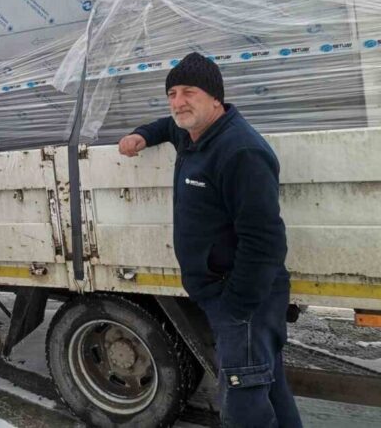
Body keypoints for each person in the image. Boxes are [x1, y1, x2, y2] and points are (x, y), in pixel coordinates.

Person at [118, 53, 302, 428]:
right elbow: (167, 126)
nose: (178, 102)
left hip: (243, 299)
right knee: (266, 385)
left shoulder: (240, 151)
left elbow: (265, 240)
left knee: (243, 403)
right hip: (228, 295)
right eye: (171, 94)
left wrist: (236, 307)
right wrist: (142, 135)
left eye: (189, 92)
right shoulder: (194, 134)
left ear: (215, 97)